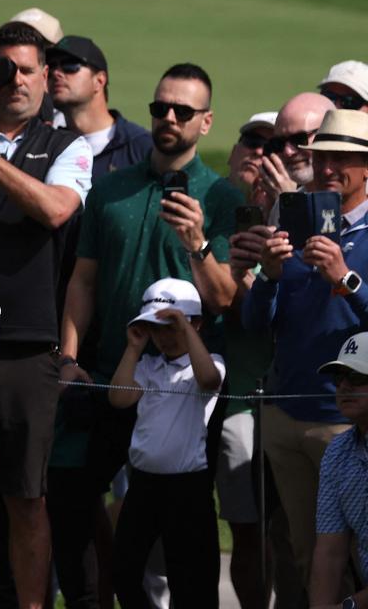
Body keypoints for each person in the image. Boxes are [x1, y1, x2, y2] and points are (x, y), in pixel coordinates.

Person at [54, 63, 240, 606]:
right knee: (69, 497)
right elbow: (82, 281)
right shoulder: (112, 189)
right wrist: (68, 355)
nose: (169, 118)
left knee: (182, 531)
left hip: (185, 385)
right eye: (160, 108)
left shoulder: (220, 195)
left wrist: (197, 240)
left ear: (206, 123)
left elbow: (224, 298)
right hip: (116, 370)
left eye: (184, 111)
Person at [0, 21, 92, 609]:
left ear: (46, 78)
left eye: (27, 69)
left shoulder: (68, 146)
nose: (15, 79)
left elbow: (54, 210)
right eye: (3, 68)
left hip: (25, 342)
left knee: (25, 497)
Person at [238, 109, 368, 595]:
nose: (329, 166)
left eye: (344, 157)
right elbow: (256, 322)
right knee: (305, 551)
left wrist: (347, 280)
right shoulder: (295, 221)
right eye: (322, 156)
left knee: (358, 552)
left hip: (349, 418)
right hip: (287, 414)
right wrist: (269, 278)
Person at [108, 279, 224, 608]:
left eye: (169, 327)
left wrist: (187, 330)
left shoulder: (210, 363)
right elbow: (118, 399)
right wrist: (133, 347)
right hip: (144, 485)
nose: (162, 336)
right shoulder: (146, 366)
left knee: (189, 577)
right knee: (124, 570)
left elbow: (209, 380)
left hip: (187, 488)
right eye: (153, 328)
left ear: (196, 324)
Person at [220, 111, 279, 609]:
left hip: (283, 395)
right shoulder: (214, 204)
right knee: (245, 530)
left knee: (289, 530)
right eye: (251, 141)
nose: (259, 153)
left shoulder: (299, 213)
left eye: (272, 145)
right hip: (230, 393)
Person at [309, 332, 368, 609]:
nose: (343, 387)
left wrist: (349, 606)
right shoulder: (337, 452)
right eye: (339, 378)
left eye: (356, 377)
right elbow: (330, 552)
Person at [47, 35, 153, 176]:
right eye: (51, 67)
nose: (56, 73)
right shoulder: (46, 146)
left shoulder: (142, 146)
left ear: (99, 80)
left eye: (70, 65)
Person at [253, 93, 336, 216]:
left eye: (299, 139)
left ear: (331, 132)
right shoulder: (280, 202)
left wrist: (291, 203)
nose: (288, 152)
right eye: (279, 142)